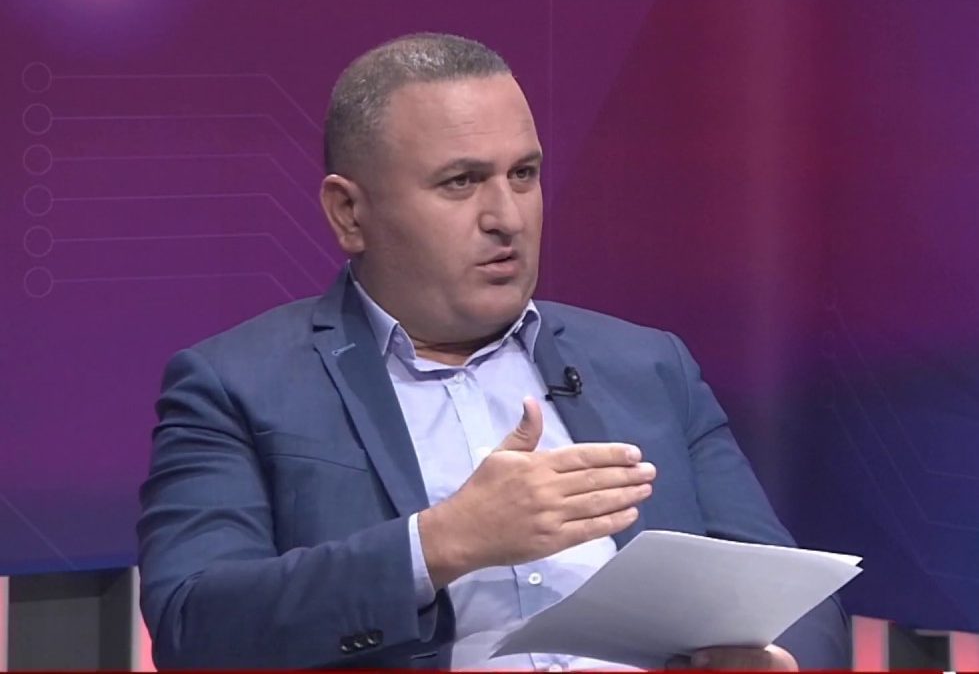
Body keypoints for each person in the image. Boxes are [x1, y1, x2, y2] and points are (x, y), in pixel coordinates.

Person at [137, 33, 849, 670]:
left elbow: (794, 592)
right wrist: (440, 544)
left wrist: (772, 659)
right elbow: (194, 625)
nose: (506, 217)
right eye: (461, 182)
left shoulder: (649, 366)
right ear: (349, 213)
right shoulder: (237, 385)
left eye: (523, 175)